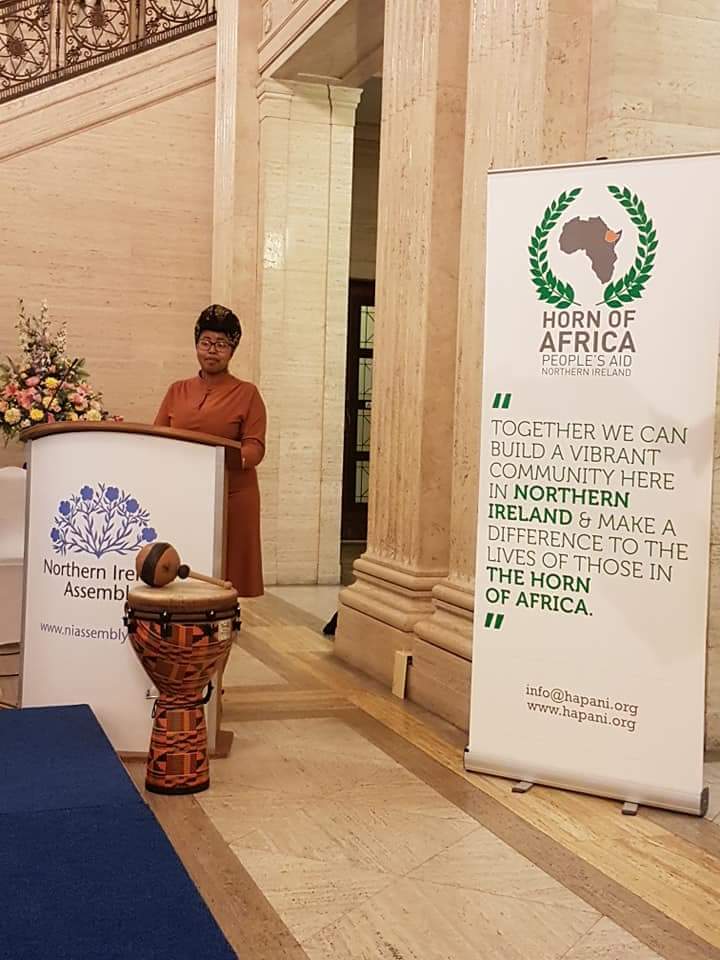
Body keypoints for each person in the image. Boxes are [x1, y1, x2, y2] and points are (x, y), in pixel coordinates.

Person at [154, 305, 266, 597]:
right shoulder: (176, 390)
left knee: (229, 573)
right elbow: (157, 437)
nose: (212, 350)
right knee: (185, 568)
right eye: (206, 342)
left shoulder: (248, 393)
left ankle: (225, 623)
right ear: (196, 345)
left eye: (221, 344)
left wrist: (232, 456)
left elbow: (255, 447)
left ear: (232, 351)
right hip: (185, 490)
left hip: (233, 493)